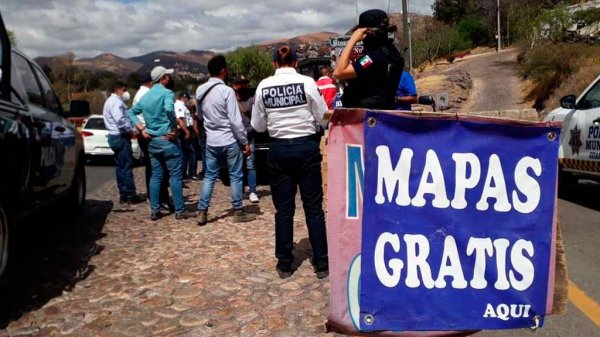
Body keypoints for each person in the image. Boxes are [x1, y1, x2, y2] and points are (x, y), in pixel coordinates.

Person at [252, 46, 329, 279]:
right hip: (306, 147)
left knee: (283, 210)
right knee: (313, 208)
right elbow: (322, 116)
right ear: (296, 62)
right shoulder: (307, 83)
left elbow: (258, 126)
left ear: (275, 63)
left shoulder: (263, 86)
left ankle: (285, 264)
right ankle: (322, 263)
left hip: (279, 149)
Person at [128, 66, 196, 221]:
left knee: (156, 176)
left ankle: (154, 209)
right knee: (175, 176)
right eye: (167, 76)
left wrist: (142, 128)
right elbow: (168, 109)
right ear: (163, 78)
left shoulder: (146, 96)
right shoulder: (167, 93)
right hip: (168, 139)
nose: (169, 78)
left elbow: (130, 112)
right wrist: (174, 127)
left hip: (152, 140)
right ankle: (180, 210)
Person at [195, 55, 256, 226]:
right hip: (229, 140)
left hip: (211, 141)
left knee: (209, 176)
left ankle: (202, 211)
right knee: (236, 175)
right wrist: (244, 142)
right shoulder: (227, 91)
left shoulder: (200, 90)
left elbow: (199, 115)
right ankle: (238, 211)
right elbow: (236, 121)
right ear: (223, 71)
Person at [333, 8, 403, 110]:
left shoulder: (374, 57)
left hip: (364, 118)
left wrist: (352, 40)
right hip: (382, 115)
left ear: (366, 33)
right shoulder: (392, 53)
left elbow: (338, 72)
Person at [132, 74, 173, 212]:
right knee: (159, 170)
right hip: (151, 134)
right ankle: (160, 199)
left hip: (146, 133)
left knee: (153, 169)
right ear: (152, 82)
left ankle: (156, 200)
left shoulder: (141, 94)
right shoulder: (146, 94)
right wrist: (144, 129)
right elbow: (163, 111)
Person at [103, 80, 144, 208]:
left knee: (120, 166)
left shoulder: (110, 101)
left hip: (114, 136)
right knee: (126, 165)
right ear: (118, 89)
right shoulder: (116, 102)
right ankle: (130, 194)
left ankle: (123, 194)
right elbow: (120, 120)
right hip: (120, 136)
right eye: (124, 90)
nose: (126, 93)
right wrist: (133, 130)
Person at [232, 75, 259, 203]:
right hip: (235, 135)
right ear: (234, 85)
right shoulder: (230, 97)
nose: (242, 86)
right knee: (238, 165)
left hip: (248, 134)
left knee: (250, 164)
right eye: (239, 84)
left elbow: (254, 112)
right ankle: (241, 190)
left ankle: (252, 191)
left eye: (244, 83)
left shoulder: (251, 97)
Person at [175, 92, 199, 180]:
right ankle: (191, 173)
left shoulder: (183, 106)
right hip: (184, 130)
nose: (188, 101)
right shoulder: (179, 105)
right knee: (191, 152)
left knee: (185, 153)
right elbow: (180, 119)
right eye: (187, 99)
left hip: (187, 129)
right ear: (183, 97)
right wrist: (186, 132)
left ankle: (184, 173)